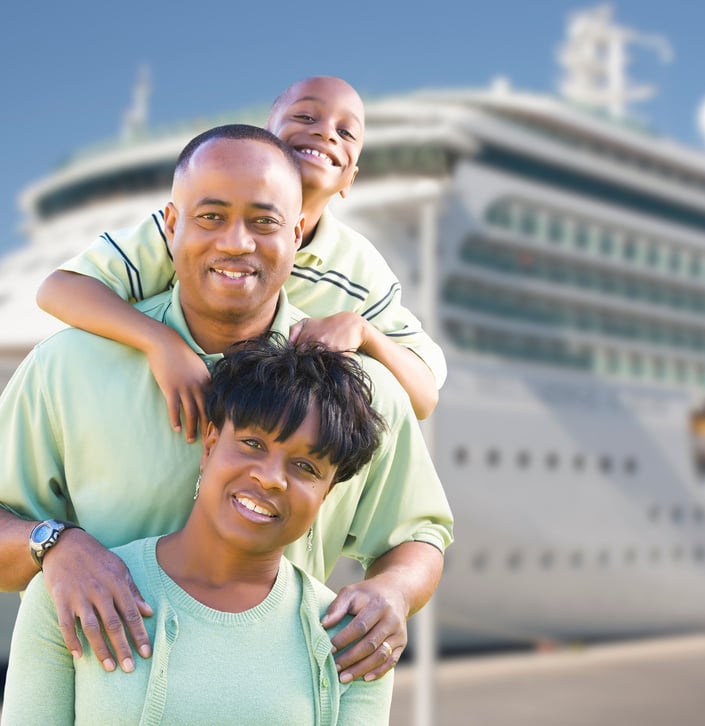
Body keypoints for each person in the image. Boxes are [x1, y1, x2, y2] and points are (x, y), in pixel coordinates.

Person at [0, 125, 452, 685]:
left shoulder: (362, 389)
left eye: (264, 222)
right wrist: (55, 546)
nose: (237, 242)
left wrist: (393, 592)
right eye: (211, 216)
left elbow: (419, 534)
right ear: (171, 225)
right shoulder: (65, 367)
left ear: (298, 232)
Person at [2, 336, 393, 725]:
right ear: (209, 446)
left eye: (307, 467)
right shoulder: (73, 593)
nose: (271, 478)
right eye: (253, 443)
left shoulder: (355, 640)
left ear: (326, 496)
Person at [36, 75, 444, 437]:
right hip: (157, 420)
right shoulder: (197, 229)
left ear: (349, 178)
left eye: (346, 131)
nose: (326, 134)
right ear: (265, 138)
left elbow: (424, 397)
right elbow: (58, 290)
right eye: (305, 118)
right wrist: (160, 342)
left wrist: (364, 331)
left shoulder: (359, 267)